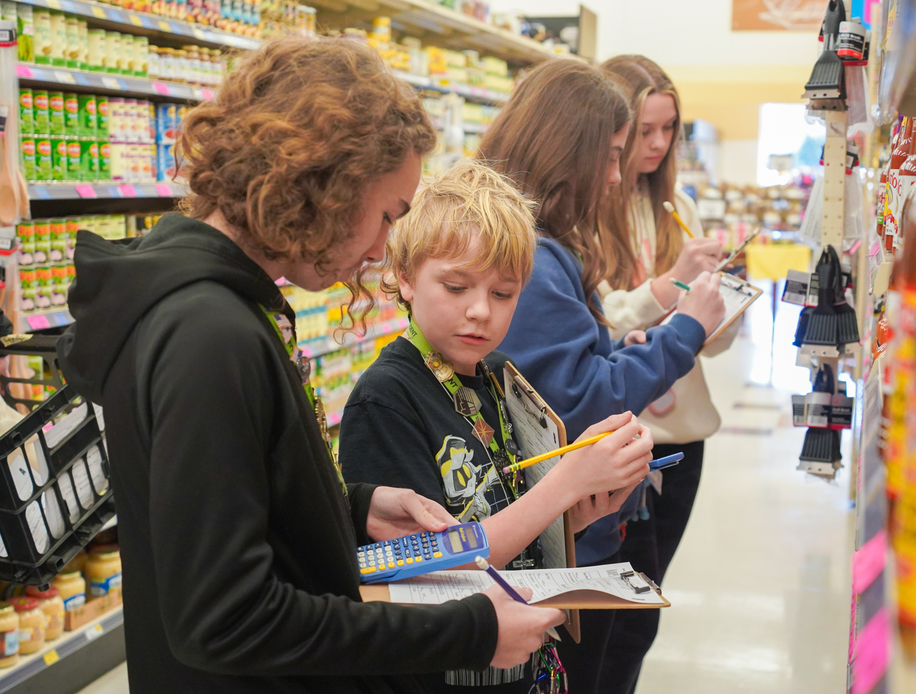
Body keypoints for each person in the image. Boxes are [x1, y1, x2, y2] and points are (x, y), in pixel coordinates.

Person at [55, 37, 563, 694]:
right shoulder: (211, 336)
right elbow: (227, 619)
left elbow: (223, 508)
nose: (384, 248)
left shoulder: (212, 305)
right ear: (326, 182)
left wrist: (351, 509)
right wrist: (470, 631)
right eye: (386, 216)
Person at [340, 159, 654, 693]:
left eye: (503, 294)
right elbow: (428, 577)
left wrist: (575, 512)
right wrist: (563, 485)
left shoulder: (497, 375)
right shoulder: (386, 399)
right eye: (456, 287)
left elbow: (502, 525)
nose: (480, 311)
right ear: (406, 277)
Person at [477, 59, 726, 693]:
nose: (619, 174)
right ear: (570, 153)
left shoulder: (547, 246)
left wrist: (615, 343)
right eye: (612, 153)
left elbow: (565, 363)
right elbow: (581, 398)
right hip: (564, 538)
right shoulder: (536, 255)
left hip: (573, 521)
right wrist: (683, 332)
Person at [595, 54, 740, 694]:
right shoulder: (585, 207)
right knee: (608, 615)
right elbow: (596, 321)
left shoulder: (677, 206)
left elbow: (710, 342)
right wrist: (668, 284)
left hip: (680, 434)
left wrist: (725, 297)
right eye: (643, 131)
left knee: (641, 609)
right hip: (613, 429)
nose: (656, 146)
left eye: (668, 130)